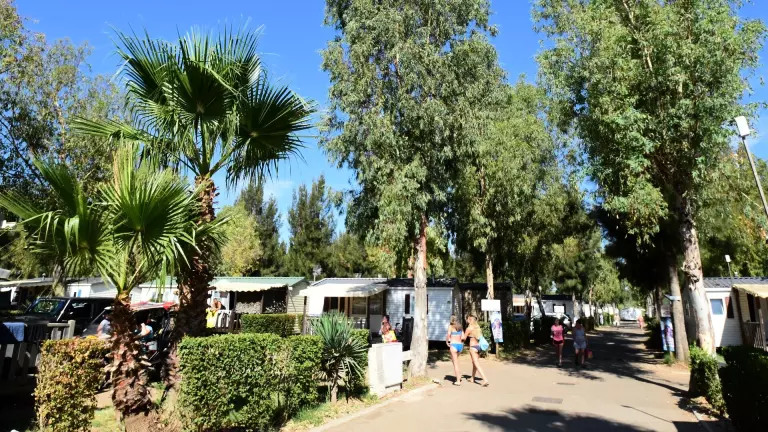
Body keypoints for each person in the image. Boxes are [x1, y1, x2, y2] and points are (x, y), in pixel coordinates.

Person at [463, 315, 489, 387]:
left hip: (473, 347)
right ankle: (472, 378)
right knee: (474, 363)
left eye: (467, 319)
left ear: (470, 320)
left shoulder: (469, 328)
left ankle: (485, 380)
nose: (466, 320)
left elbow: (464, 338)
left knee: (476, 364)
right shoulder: (477, 328)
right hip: (478, 346)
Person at [445, 315, 465, 385]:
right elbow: (463, 337)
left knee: (455, 363)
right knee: (456, 362)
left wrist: (447, 342)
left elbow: (448, 335)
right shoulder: (460, 326)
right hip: (460, 345)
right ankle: (459, 376)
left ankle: (458, 381)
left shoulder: (450, 326)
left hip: (453, 345)